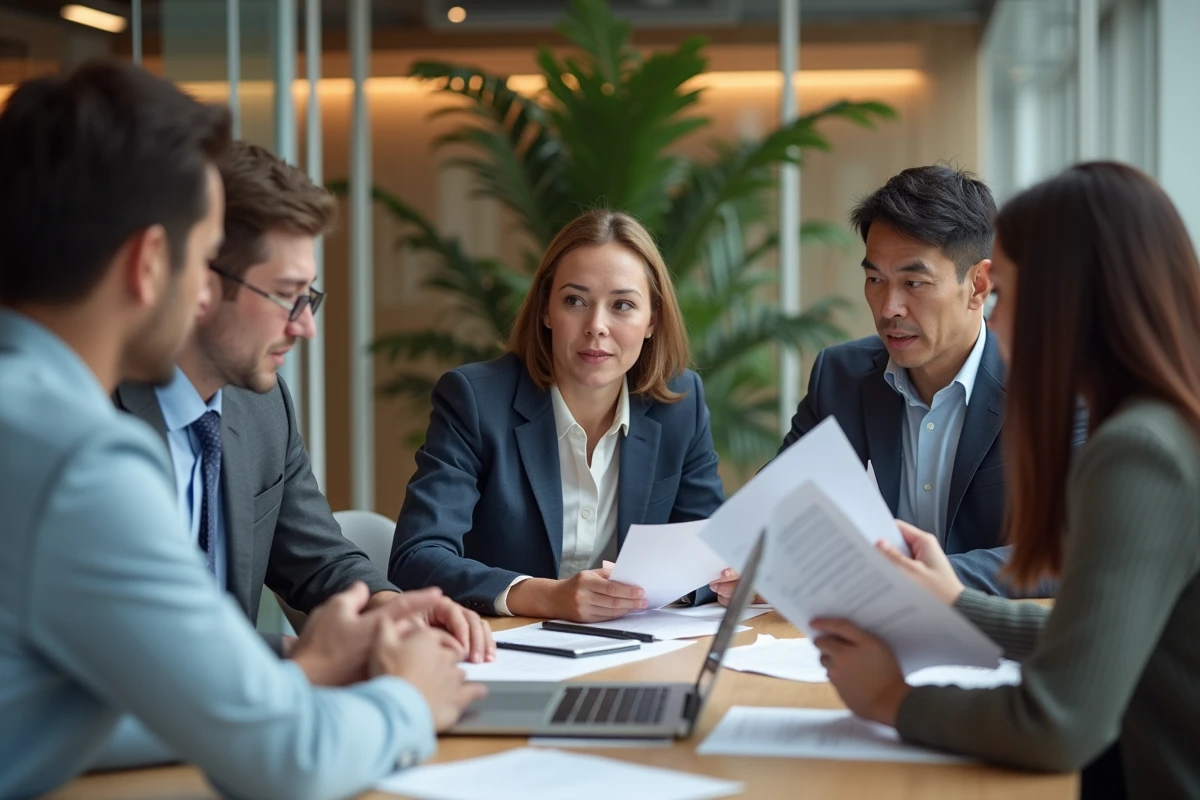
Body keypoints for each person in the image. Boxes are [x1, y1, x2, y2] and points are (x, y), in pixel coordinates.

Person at [0, 60, 482, 799]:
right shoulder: (77, 459)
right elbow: (289, 759)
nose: (201, 295)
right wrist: (411, 698)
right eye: (200, 260)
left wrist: (291, 675)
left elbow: (44, 707)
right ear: (149, 263)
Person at [812, 162, 1200, 798]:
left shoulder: (1138, 452)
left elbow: (1056, 725)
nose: (998, 322)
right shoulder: (1166, 425)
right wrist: (957, 605)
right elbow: (1112, 635)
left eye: (1007, 298)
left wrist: (889, 699)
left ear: (1072, 304)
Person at [113, 141, 493, 663]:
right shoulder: (93, 418)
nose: (305, 326)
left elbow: (319, 561)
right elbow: (120, 643)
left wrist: (392, 610)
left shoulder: (262, 406)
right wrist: (298, 659)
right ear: (204, 284)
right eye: (287, 295)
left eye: (309, 297)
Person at [710, 165, 1083, 605]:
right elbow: (766, 514)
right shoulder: (841, 377)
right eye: (875, 280)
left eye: (914, 283)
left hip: (989, 631)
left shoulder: (1052, 385)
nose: (889, 308)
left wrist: (905, 579)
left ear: (978, 285)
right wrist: (717, 576)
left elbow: (1073, 547)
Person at [389, 209, 725, 622]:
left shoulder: (680, 404)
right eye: (575, 301)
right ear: (546, 310)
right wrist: (546, 597)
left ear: (652, 319)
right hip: (502, 646)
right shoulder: (475, 400)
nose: (597, 326)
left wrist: (716, 577)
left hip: (638, 644)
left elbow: (711, 549)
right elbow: (416, 558)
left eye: (622, 305)